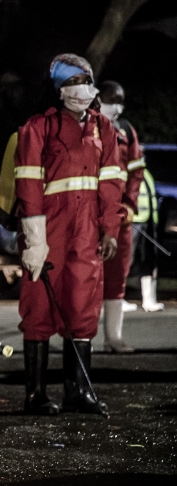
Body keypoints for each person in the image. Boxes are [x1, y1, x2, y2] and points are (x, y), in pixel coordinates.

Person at [14, 53, 124, 416]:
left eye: (84, 81)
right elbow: (28, 187)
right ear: (57, 89)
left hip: (87, 231)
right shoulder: (37, 128)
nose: (80, 89)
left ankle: (79, 392)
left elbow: (111, 185)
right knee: (39, 304)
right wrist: (34, 240)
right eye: (71, 83)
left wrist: (110, 230)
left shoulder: (103, 130)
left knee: (82, 304)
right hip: (48, 229)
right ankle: (36, 394)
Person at [97, 81, 144, 351]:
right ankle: (83, 339)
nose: (117, 106)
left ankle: (113, 338)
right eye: (112, 99)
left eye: (121, 101)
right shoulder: (87, 125)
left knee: (116, 278)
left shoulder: (126, 130)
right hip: (92, 216)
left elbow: (135, 172)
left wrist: (128, 205)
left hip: (120, 217)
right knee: (87, 278)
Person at [132, 168, 164, 311]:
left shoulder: (145, 172)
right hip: (134, 221)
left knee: (149, 260)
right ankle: (116, 299)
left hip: (149, 222)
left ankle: (149, 299)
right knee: (127, 260)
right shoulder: (130, 170)